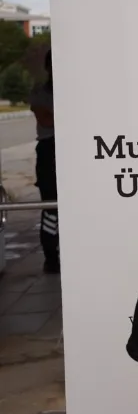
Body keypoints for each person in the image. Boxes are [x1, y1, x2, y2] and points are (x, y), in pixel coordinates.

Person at [29, 49, 58, 274]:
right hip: (50, 150)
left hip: (71, 149)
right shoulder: (40, 92)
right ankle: (51, 256)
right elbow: (46, 120)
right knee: (51, 206)